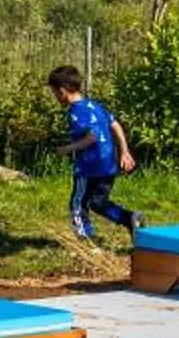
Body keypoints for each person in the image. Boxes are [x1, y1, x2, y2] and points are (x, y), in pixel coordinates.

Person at [45, 66, 138, 246]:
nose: (55, 97)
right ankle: (129, 219)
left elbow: (93, 135)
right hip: (109, 163)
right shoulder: (94, 105)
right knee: (98, 202)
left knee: (78, 204)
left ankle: (85, 241)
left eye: (54, 92)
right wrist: (124, 151)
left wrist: (67, 149)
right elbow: (116, 125)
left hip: (90, 166)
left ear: (62, 91)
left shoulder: (76, 111)